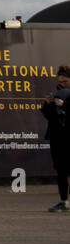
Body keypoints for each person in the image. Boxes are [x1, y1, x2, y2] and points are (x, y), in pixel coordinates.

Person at [40, 65, 70, 212]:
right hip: (57, 138)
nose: (62, 84)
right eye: (60, 81)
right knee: (61, 170)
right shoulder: (59, 94)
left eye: (65, 81)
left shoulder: (65, 97)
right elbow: (50, 117)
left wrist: (65, 105)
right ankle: (64, 202)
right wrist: (48, 104)